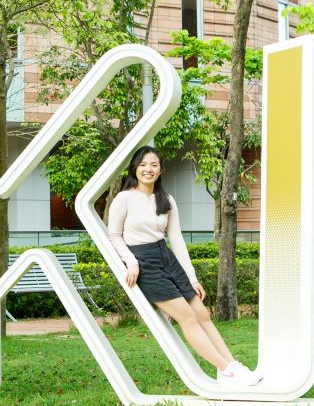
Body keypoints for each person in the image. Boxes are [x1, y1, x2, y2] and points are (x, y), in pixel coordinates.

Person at [108, 146, 252, 383]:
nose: (148, 169)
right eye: (143, 164)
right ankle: (226, 370)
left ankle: (232, 366)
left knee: (202, 314)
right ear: (135, 168)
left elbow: (176, 239)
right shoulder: (124, 199)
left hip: (166, 257)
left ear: (161, 170)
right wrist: (131, 263)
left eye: (153, 165)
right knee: (187, 317)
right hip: (144, 263)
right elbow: (114, 235)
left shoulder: (167, 200)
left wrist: (192, 278)